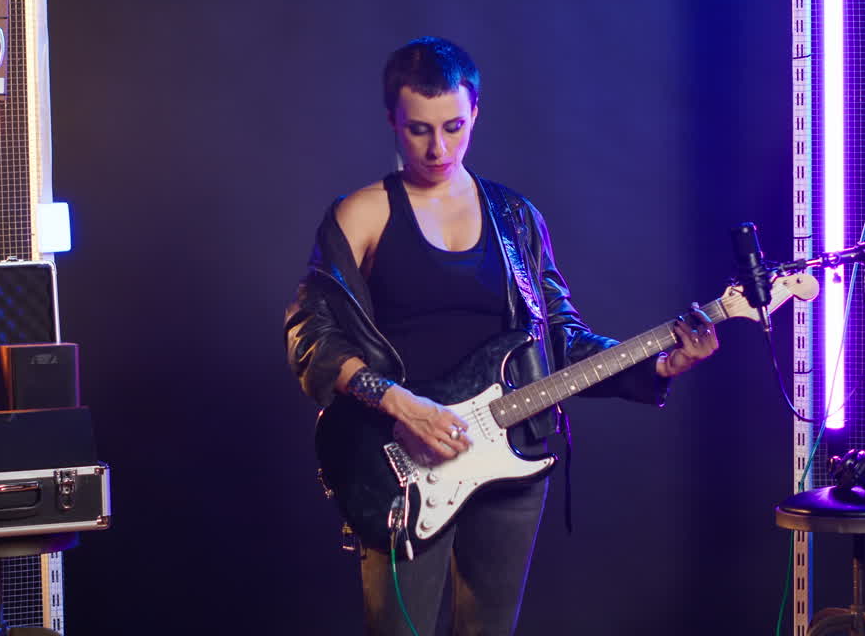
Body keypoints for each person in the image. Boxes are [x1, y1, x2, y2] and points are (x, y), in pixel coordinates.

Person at [284, 36, 718, 635]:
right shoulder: (363, 214)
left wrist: (655, 367)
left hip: (514, 454)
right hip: (403, 460)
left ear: (476, 114)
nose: (439, 148)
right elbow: (313, 332)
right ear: (392, 120)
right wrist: (401, 405)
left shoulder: (516, 219)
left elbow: (560, 341)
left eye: (454, 126)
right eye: (418, 130)